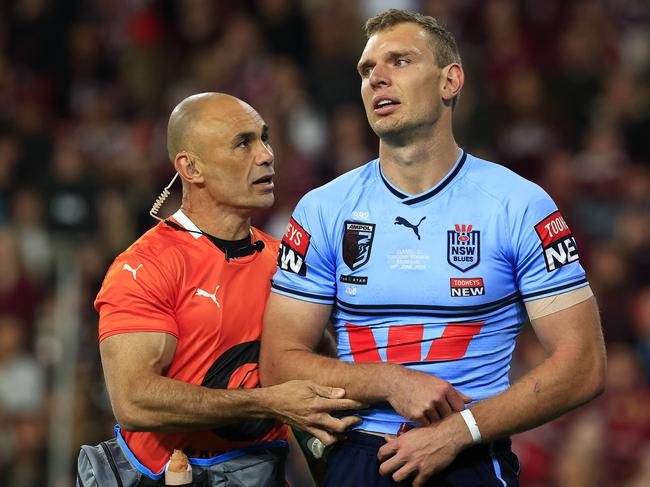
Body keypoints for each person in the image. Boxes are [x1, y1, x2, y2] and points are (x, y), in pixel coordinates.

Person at [260, 9, 606, 487]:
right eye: (366, 70)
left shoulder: (520, 205)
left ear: (450, 81)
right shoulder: (322, 210)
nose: (377, 78)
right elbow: (278, 362)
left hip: (469, 455)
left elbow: (583, 364)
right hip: (358, 459)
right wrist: (391, 381)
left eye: (399, 61)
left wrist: (458, 432)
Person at [79, 93, 363, 486]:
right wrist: (266, 403)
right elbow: (133, 399)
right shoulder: (145, 266)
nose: (266, 155)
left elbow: (318, 383)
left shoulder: (286, 261)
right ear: (191, 167)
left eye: (265, 138)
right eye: (243, 143)